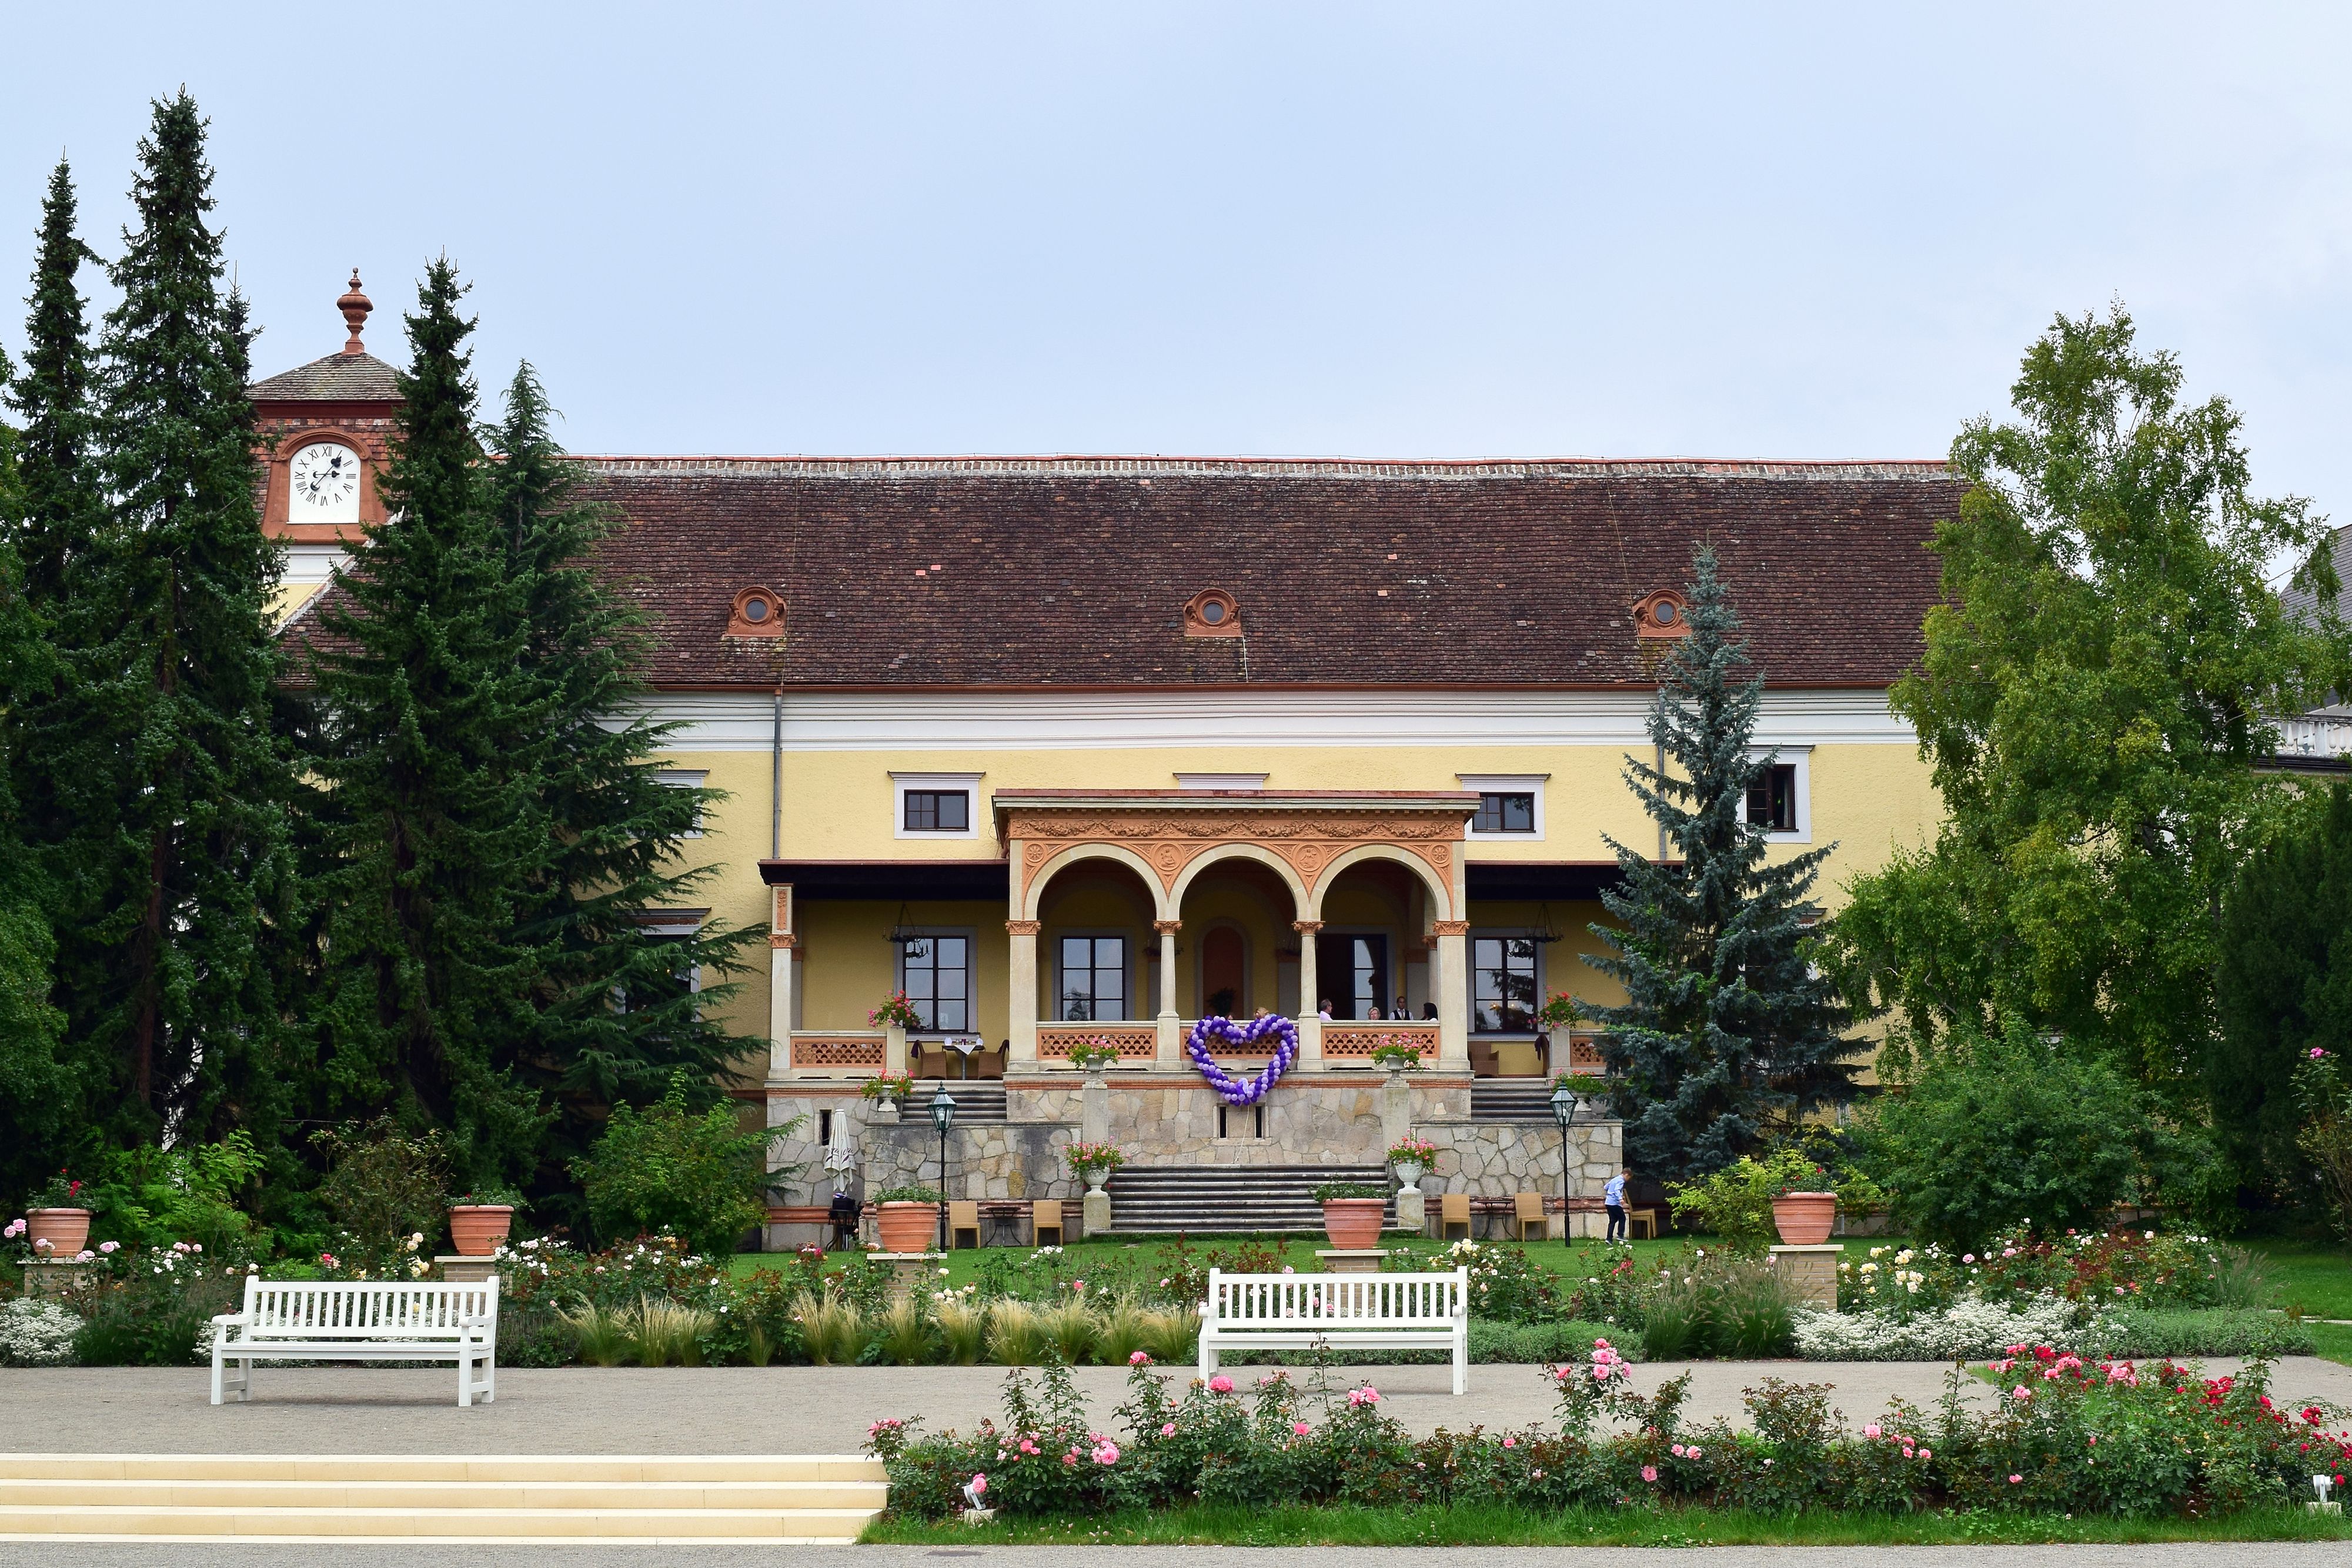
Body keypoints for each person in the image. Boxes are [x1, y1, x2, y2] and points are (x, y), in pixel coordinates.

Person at [1603, 1164, 1632, 1243]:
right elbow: (1617, 1190)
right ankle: (1620, 1235)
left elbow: (1606, 1187)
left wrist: (1610, 1193)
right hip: (1615, 1203)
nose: (1628, 1180)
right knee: (1622, 1218)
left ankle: (1609, 1239)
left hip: (1608, 1202)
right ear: (1626, 1174)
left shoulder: (1614, 1179)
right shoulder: (1621, 1180)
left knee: (1613, 1220)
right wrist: (1621, 1199)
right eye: (1628, 1177)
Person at [828, 1188, 862, 1252]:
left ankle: (843, 1247)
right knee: (843, 1226)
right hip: (850, 1226)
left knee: (843, 1226)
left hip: (847, 1226)